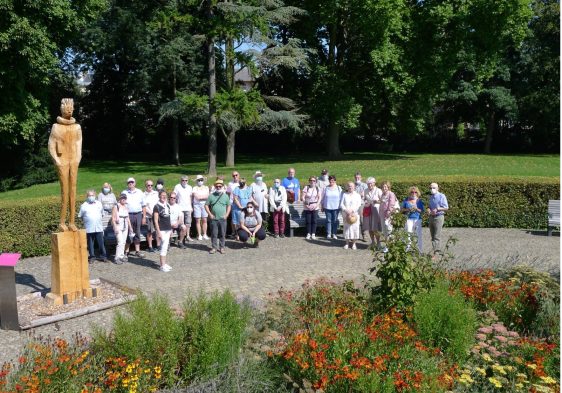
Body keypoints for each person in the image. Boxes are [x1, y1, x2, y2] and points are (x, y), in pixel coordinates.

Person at [48, 98, 82, 232]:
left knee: (73, 191)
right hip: (62, 161)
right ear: (61, 109)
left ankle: (72, 222)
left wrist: (78, 157)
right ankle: (62, 222)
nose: (68, 109)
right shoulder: (56, 127)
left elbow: (79, 143)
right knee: (65, 191)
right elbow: (51, 145)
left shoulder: (77, 127)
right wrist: (56, 159)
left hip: (73, 160)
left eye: (70, 107)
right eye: (66, 107)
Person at [78, 189, 108, 263]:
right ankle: (92, 257)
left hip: (98, 227)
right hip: (89, 228)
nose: (91, 197)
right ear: (87, 196)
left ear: (95, 195)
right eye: (89, 195)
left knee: (101, 243)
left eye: (92, 195)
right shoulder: (84, 205)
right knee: (90, 243)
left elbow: (102, 213)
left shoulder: (99, 204)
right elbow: (80, 216)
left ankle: (103, 256)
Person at [205, 179, 231, 254]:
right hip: (214, 219)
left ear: (222, 186)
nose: (218, 187)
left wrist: (227, 215)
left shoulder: (225, 196)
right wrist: (210, 214)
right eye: (217, 186)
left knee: (222, 234)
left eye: (220, 186)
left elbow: (229, 206)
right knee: (214, 234)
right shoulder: (211, 196)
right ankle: (214, 247)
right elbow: (206, 205)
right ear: (215, 187)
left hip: (223, 219)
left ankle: (222, 247)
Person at [122, 177, 146, 258]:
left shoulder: (140, 192)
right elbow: (122, 205)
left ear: (135, 183)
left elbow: (144, 205)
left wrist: (144, 217)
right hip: (128, 215)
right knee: (128, 232)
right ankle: (126, 251)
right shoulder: (124, 192)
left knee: (137, 232)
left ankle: (137, 251)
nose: (131, 183)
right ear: (127, 184)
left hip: (138, 214)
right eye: (129, 182)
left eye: (132, 182)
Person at [153, 190, 173, 272]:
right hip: (161, 229)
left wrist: (171, 229)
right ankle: (162, 266)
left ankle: (164, 263)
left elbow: (169, 218)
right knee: (163, 247)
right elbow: (155, 220)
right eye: (162, 195)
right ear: (159, 196)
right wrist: (158, 232)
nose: (163, 197)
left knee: (166, 247)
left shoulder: (167, 205)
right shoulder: (156, 206)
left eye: (165, 195)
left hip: (168, 229)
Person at [401, 186, 424, 252]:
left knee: (418, 235)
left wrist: (416, 209)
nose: (413, 193)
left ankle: (419, 251)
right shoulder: (406, 200)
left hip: (417, 219)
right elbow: (401, 210)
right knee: (408, 234)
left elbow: (422, 211)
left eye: (415, 192)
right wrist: (408, 209)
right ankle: (407, 251)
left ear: (417, 193)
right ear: (409, 192)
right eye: (412, 192)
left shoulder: (419, 201)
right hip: (408, 219)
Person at [112, 193, 133, 264]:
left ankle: (121, 256)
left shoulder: (126, 206)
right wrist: (115, 227)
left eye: (125, 198)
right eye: (122, 198)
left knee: (123, 242)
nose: (123, 199)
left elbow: (127, 217)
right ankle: (117, 257)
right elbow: (113, 218)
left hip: (125, 226)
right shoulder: (116, 206)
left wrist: (130, 227)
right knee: (120, 242)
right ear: (120, 199)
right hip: (118, 226)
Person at [428, 182, 449, 255]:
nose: (432, 189)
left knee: (437, 236)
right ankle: (436, 250)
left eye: (434, 188)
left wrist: (437, 209)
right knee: (432, 235)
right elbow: (430, 207)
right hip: (431, 217)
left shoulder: (441, 196)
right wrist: (429, 209)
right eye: (430, 188)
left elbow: (446, 207)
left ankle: (436, 252)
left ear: (437, 188)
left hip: (439, 217)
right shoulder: (431, 197)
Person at [340, 182, 362, 250]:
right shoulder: (344, 194)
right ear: (347, 187)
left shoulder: (357, 195)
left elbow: (359, 204)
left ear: (354, 187)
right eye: (349, 186)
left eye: (352, 186)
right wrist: (346, 210)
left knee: (355, 228)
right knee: (347, 229)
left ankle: (354, 243)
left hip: (354, 214)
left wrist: (352, 211)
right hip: (346, 214)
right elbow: (341, 204)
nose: (350, 187)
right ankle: (347, 243)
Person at [362, 177, 383, 248]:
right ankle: (373, 242)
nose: (370, 185)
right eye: (368, 184)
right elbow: (364, 199)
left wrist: (377, 201)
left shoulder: (378, 190)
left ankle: (378, 243)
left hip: (376, 211)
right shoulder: (365, 190)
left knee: (376, 228)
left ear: (374, 183)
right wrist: (365, 202)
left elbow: (382, 201)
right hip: (368, 210)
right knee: (370, 228)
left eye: (371, 183)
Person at [173, 175, 194, 243]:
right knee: (181, 223)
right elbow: (174, 196)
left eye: (186, 180)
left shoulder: (190, 187)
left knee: (188, 223)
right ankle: (181, 237)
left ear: (188, 181)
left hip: (188, 208)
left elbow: (190, 197)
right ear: (180, 181)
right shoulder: (177, 186)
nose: (184, 182)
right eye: (183, 180)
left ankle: (187, 236)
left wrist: (191, 206)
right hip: (180, 208)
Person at [321, 175, 342, 239]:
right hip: (327, 207)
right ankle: (329, 234)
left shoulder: (339, 188)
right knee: (328, 220)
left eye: (333, 180)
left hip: (336, 207)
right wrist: (322, 205)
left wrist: (341, 206)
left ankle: (334, 233)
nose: (331, 181)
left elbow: (341, 198)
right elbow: (322, 197)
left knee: (335, 221)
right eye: (330, 180)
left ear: (335, 181)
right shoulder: (326, 188)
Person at [379, 181, 398, 250]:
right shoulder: (382, 195)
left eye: (385, 187)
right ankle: (387, 245)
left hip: (388, 215)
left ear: (388, 187)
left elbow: (391, 204)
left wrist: (388, 212)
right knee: (384, 231)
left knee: (389, 230)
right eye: (383, 187)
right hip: (382, 215)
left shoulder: (391, 194)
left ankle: (391, 246)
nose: (384, 188)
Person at [143, 179, 160, 253]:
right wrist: (152, 213)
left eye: (151, 185)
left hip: (157, 215)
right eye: (148, 185)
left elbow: (159, 203)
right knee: (149, 231)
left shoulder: (156, 193)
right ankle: (150, 246)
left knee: (157, 230)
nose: (150, 186)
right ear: (146, 186)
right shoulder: (143, 194)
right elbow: (144, 206)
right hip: (149, 216)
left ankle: (158, 245)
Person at [192, 175, 210, 240]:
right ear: (197, 181)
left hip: (204, 205)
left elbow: (208, 196)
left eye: (201, 180)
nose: (200, 181)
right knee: (198, 220)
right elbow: (196, 197)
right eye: (199, 180)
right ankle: (199, 234)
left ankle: (205, 234)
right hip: (197, 205)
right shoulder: (194, 188)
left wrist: (200, 197)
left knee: (205, 220)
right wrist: (203, 197)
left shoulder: (206, 187)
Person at [354, 172, 368, 239]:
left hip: (361, 204)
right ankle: (356, 235)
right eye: (356, 177)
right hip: (353, 205)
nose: (357, 179)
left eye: (358, 177)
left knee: (362, 220)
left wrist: (358, 194)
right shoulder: (353, 185)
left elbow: (364, 195)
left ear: (361, 178)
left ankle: (364, 235)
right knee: (355, 220)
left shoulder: (364, 185)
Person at [227, 171, 240, 237]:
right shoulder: (230, 184)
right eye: (233, 175)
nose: (235, 176)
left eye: (236, 175)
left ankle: (240, 231)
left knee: (240, 218)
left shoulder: (241, 183)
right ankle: (233, 232)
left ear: (239, 175)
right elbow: (228, 193)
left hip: (240, 203)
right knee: (233, 218)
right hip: (232, 203)